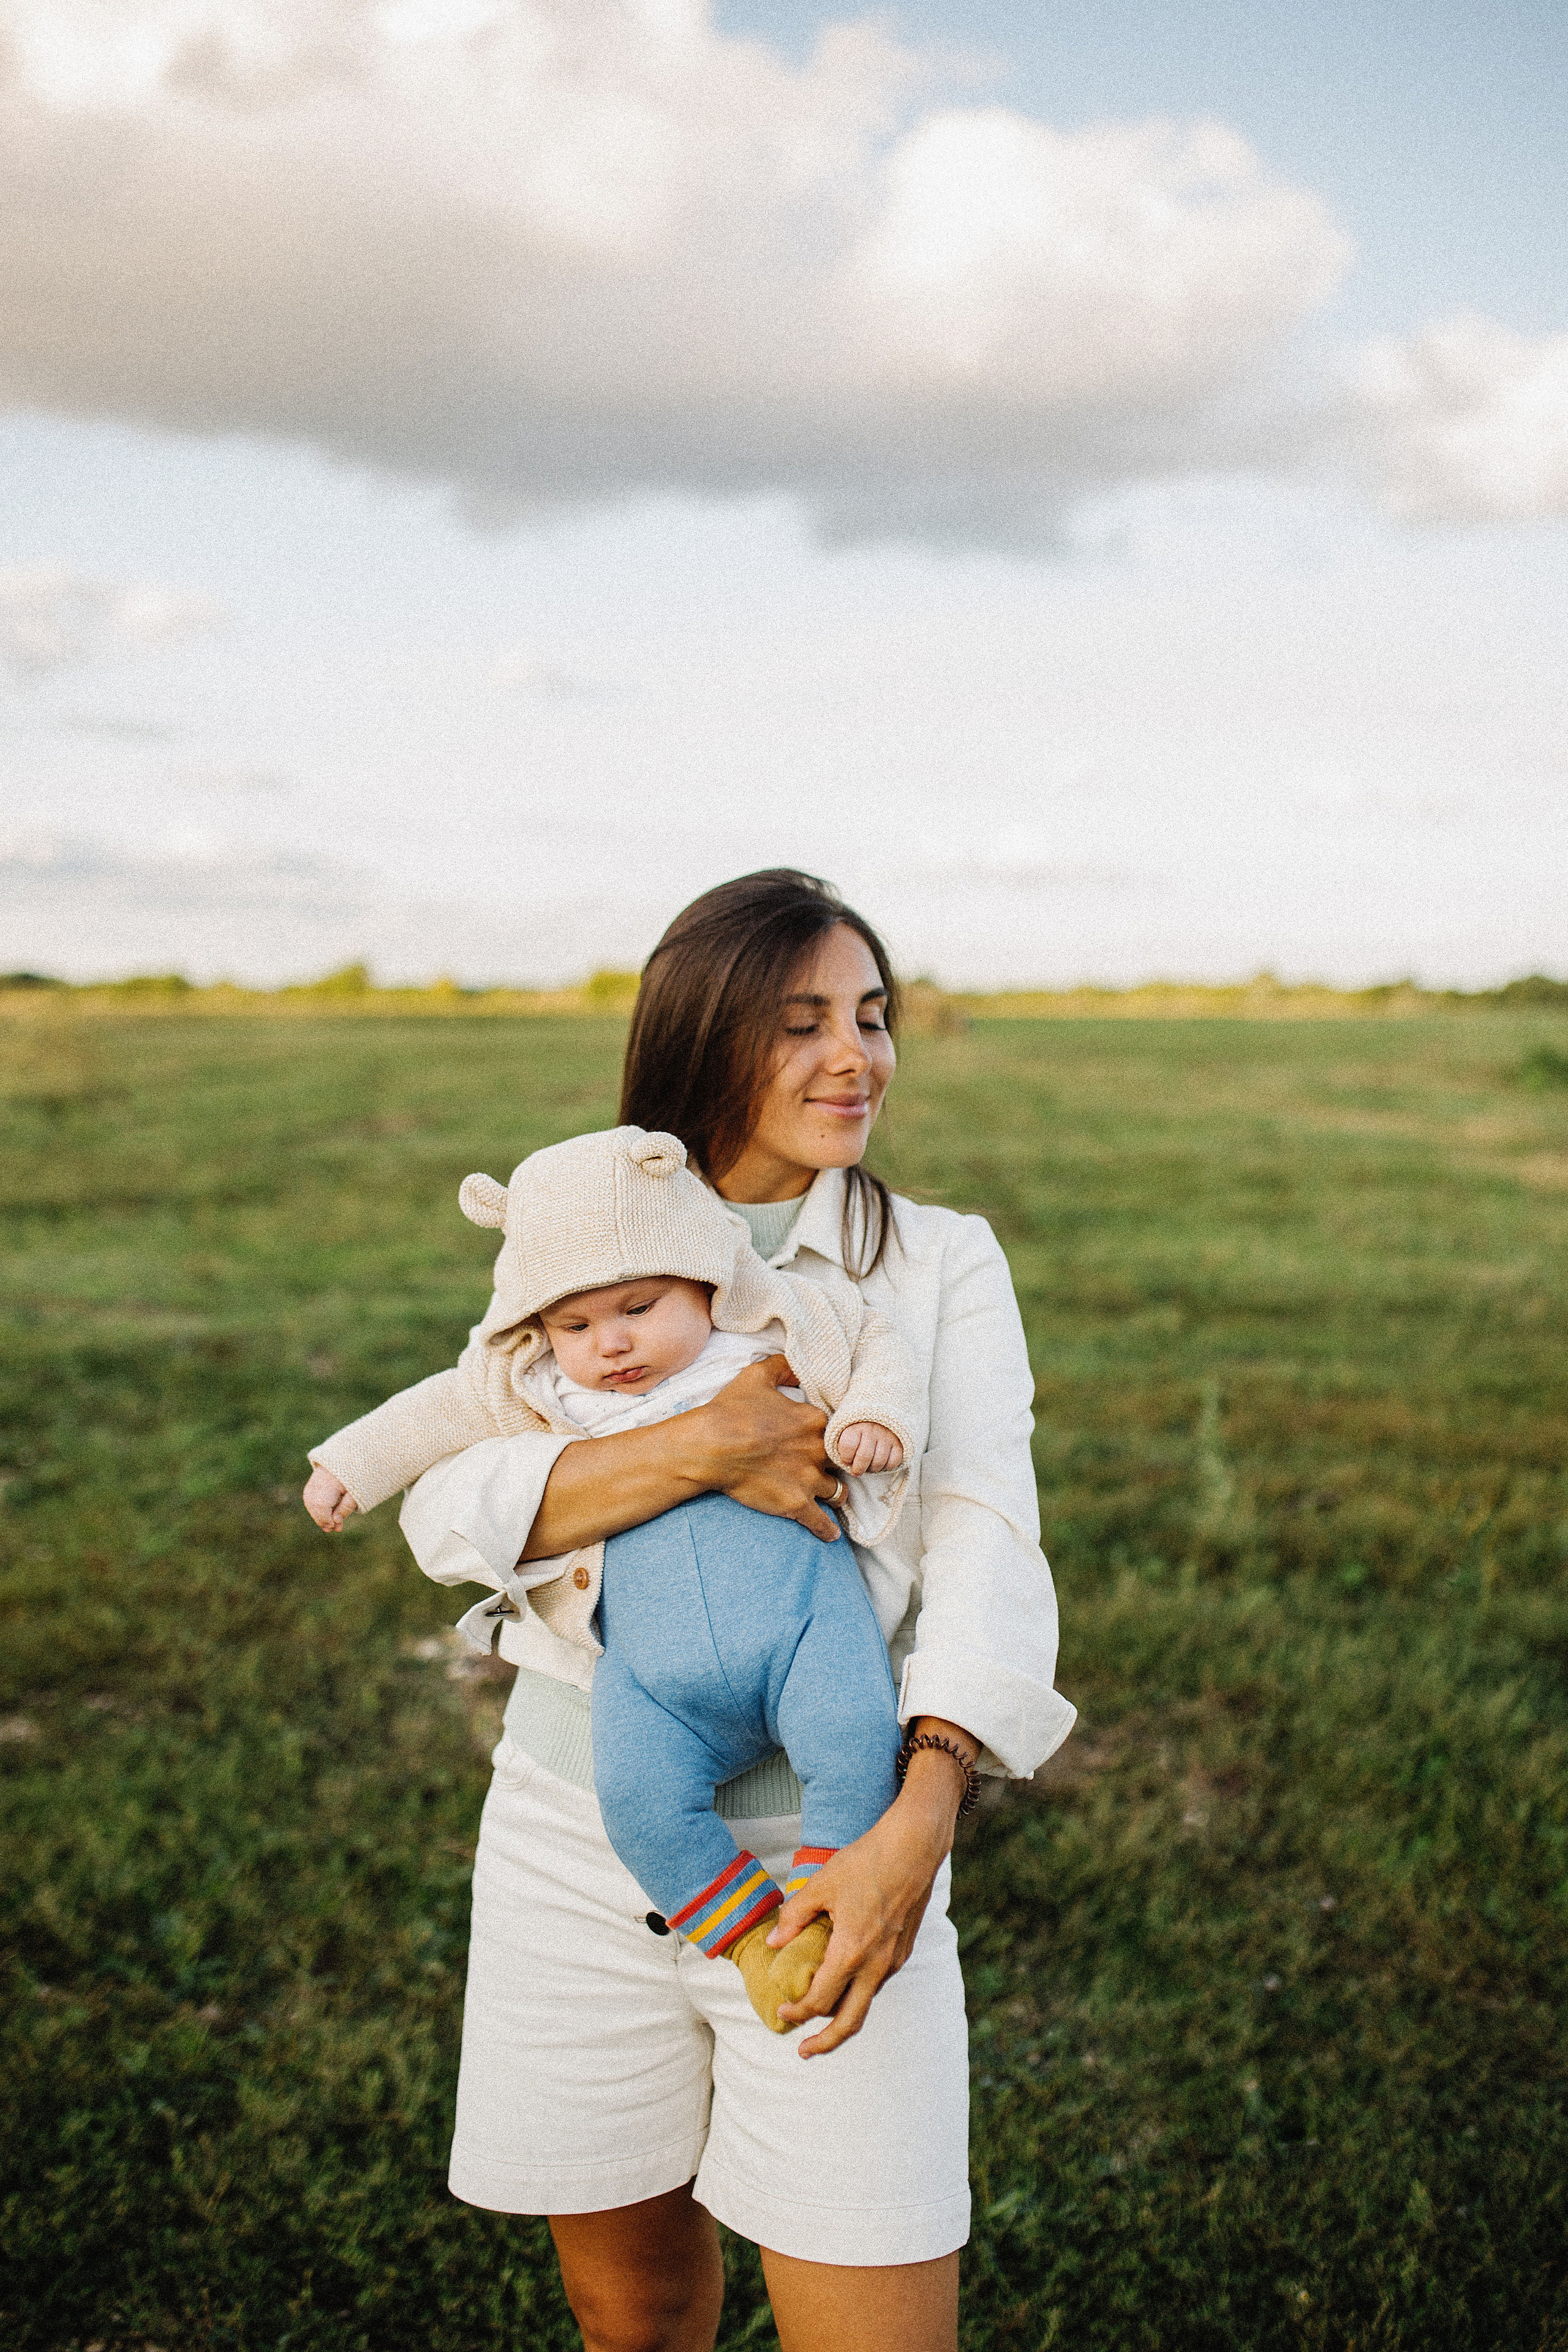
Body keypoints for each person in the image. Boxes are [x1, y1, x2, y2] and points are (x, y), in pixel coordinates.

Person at [396, 870, 1075, 2352]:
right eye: (802, 1024)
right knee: (630, 2316)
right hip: (575, 1843)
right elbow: (447, 1510)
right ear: (703, 1038)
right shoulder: (583, 1233)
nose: (858, 1058)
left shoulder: (934, 1261)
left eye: (872, 1017)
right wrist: (688, 1450)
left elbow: (983, 1535)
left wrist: (920, 1818)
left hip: (840, 1845)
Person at [301, 1121, 921, 2027]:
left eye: (640, 1308)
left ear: (703, 1279)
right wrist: (349, 1466)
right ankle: (751, 1937)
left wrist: (875, 1414)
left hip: (802, 1631)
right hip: (650, 1678)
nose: (612, 1345)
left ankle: (830, 1890)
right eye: (576, 1325)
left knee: (855, 1739)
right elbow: (437, 1409)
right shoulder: (548, 1385)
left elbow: (878, 1342)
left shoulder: (767, 1337)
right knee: (636, 1801)